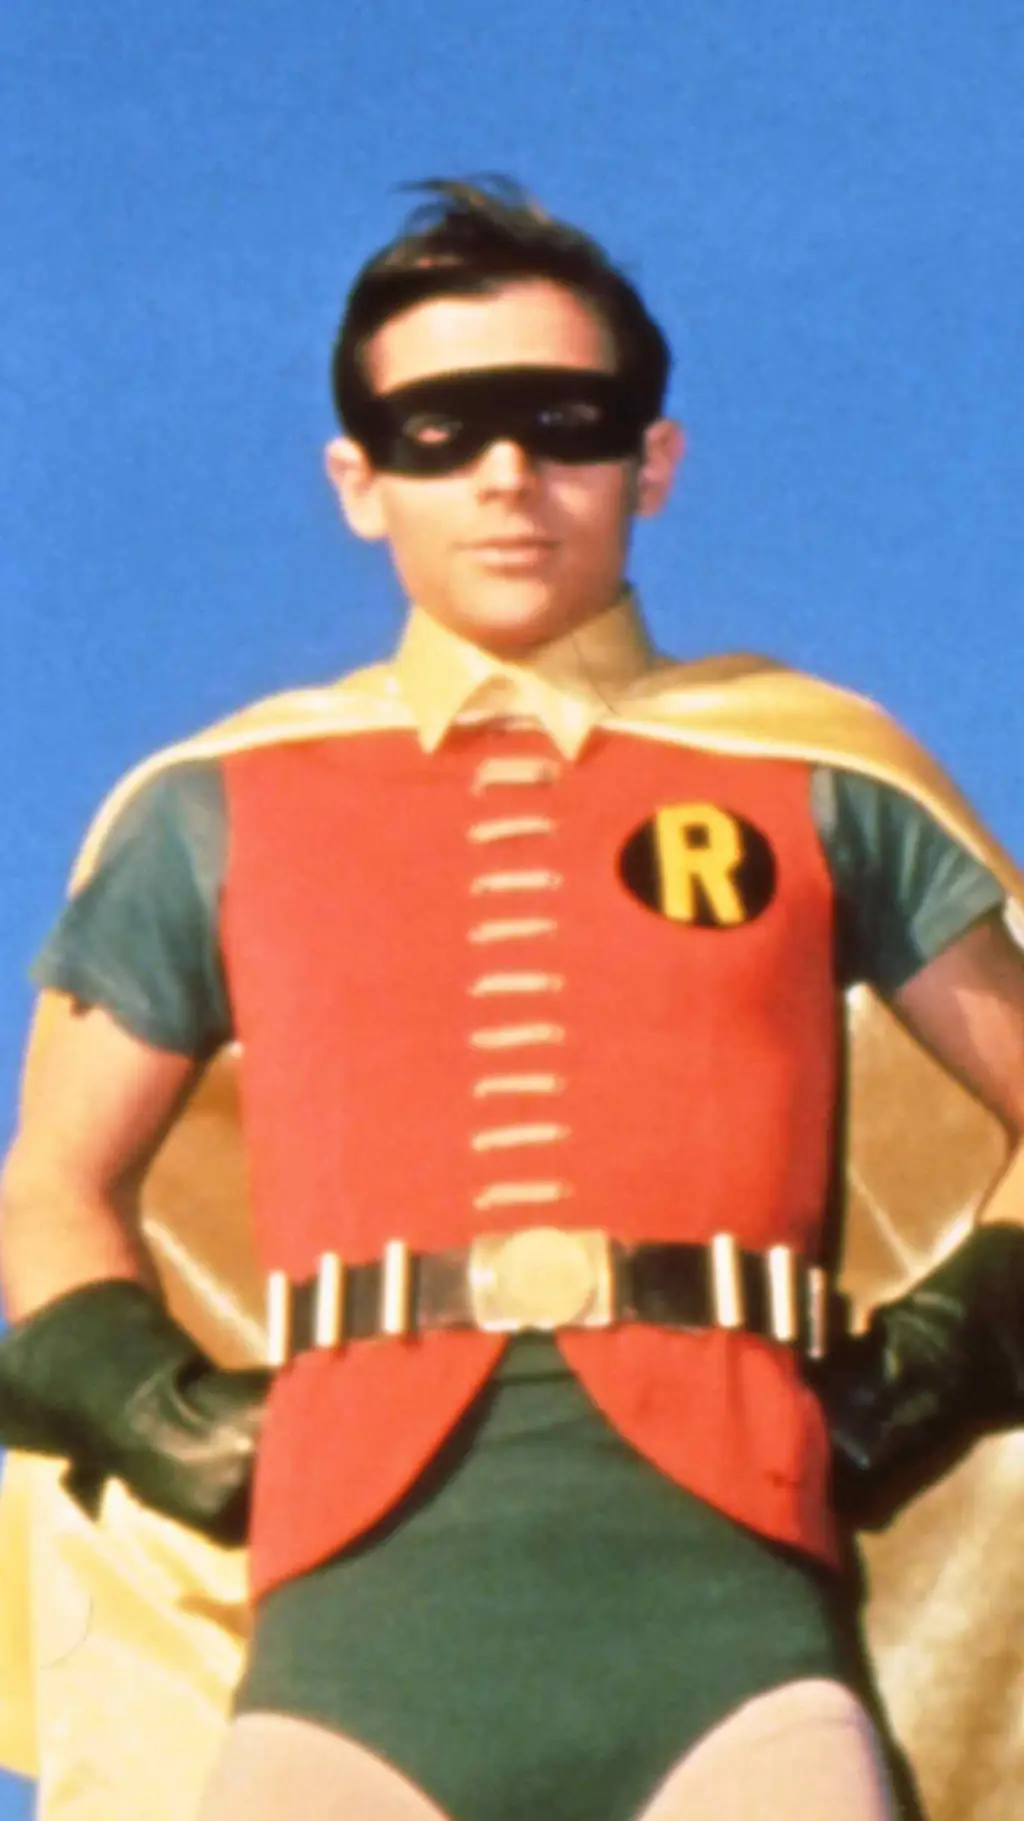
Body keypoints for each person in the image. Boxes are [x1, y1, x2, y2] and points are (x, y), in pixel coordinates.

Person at [2, 178, 1024, 1821]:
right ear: (358, 481)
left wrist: (940, 1356)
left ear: (652, 461)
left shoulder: (822, 777)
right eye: (439, 431)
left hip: (747, 1655)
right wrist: (145, 1406)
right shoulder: (216, 804)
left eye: (564, 424)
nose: (506, 477)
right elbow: (50, 1180)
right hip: (340, 1668)